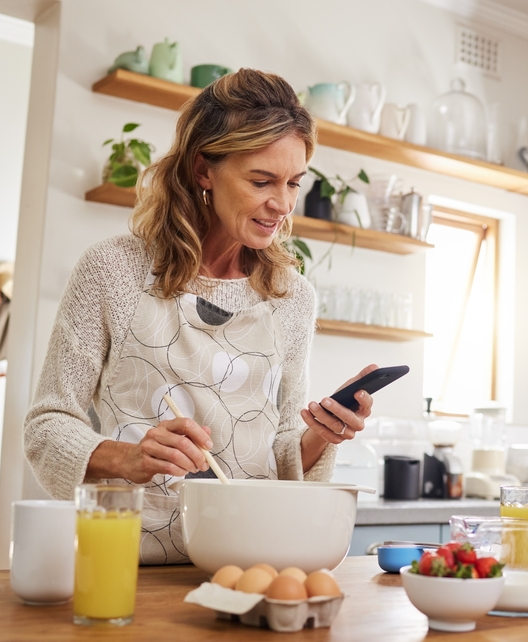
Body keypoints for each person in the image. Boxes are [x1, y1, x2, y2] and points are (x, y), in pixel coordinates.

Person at [24, 69, 376, 564]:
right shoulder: (113, 270)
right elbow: (47, 426)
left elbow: (276, 453)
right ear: (203, 170)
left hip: (253, 563)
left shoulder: (292, 297)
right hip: (130, 566)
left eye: (294, 182)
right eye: (261, 181)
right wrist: (127, 458)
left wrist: (323, 433)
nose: (282, 204)